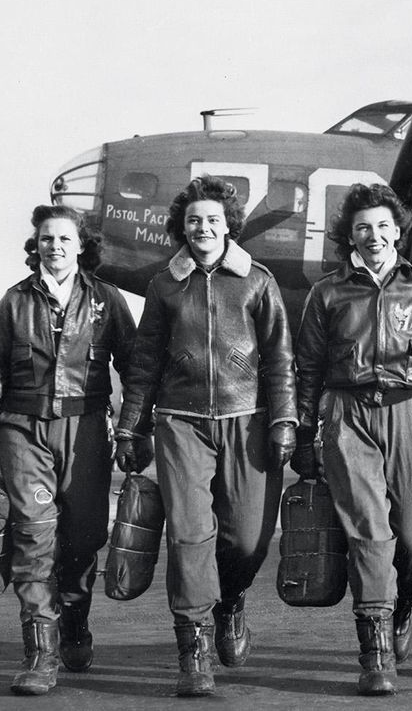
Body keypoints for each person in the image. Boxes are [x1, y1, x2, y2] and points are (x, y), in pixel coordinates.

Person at [114, 175, 297, 697]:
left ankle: (231, 600)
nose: (203, 227)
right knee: (191, 535)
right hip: (181, 421)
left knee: (247, 537)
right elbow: (144, 363)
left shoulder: (258, 281)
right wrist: (131, 426)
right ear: (182, 228)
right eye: (194, 220)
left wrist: (284, 420)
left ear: (228, 225)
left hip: (249, 420)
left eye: (213, 219)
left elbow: (281, 360)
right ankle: (192, 650)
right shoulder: (163, 286)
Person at [293, 182, 412, 696]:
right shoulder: (327, 293)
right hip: (348, 416)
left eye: (383, 226)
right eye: (363, 227)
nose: (373, 235)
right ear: (349, 234)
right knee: (370, 536)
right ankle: (375, 654)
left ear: (398, 231)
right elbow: (307, 370)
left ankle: (401, 609)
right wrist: (306, 434)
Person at [0, 205, 137, 696]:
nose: (55, 247)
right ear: (36, 245)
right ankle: (40, 655)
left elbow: (132, 367)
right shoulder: (14, 301)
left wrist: (133, 430)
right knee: (34, 538)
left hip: (86, 428)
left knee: (83, 538)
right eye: (46, 239)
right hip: (22, 429)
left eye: (65, 239)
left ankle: (75, 623)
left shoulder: (107, 300)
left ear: (81, 245)